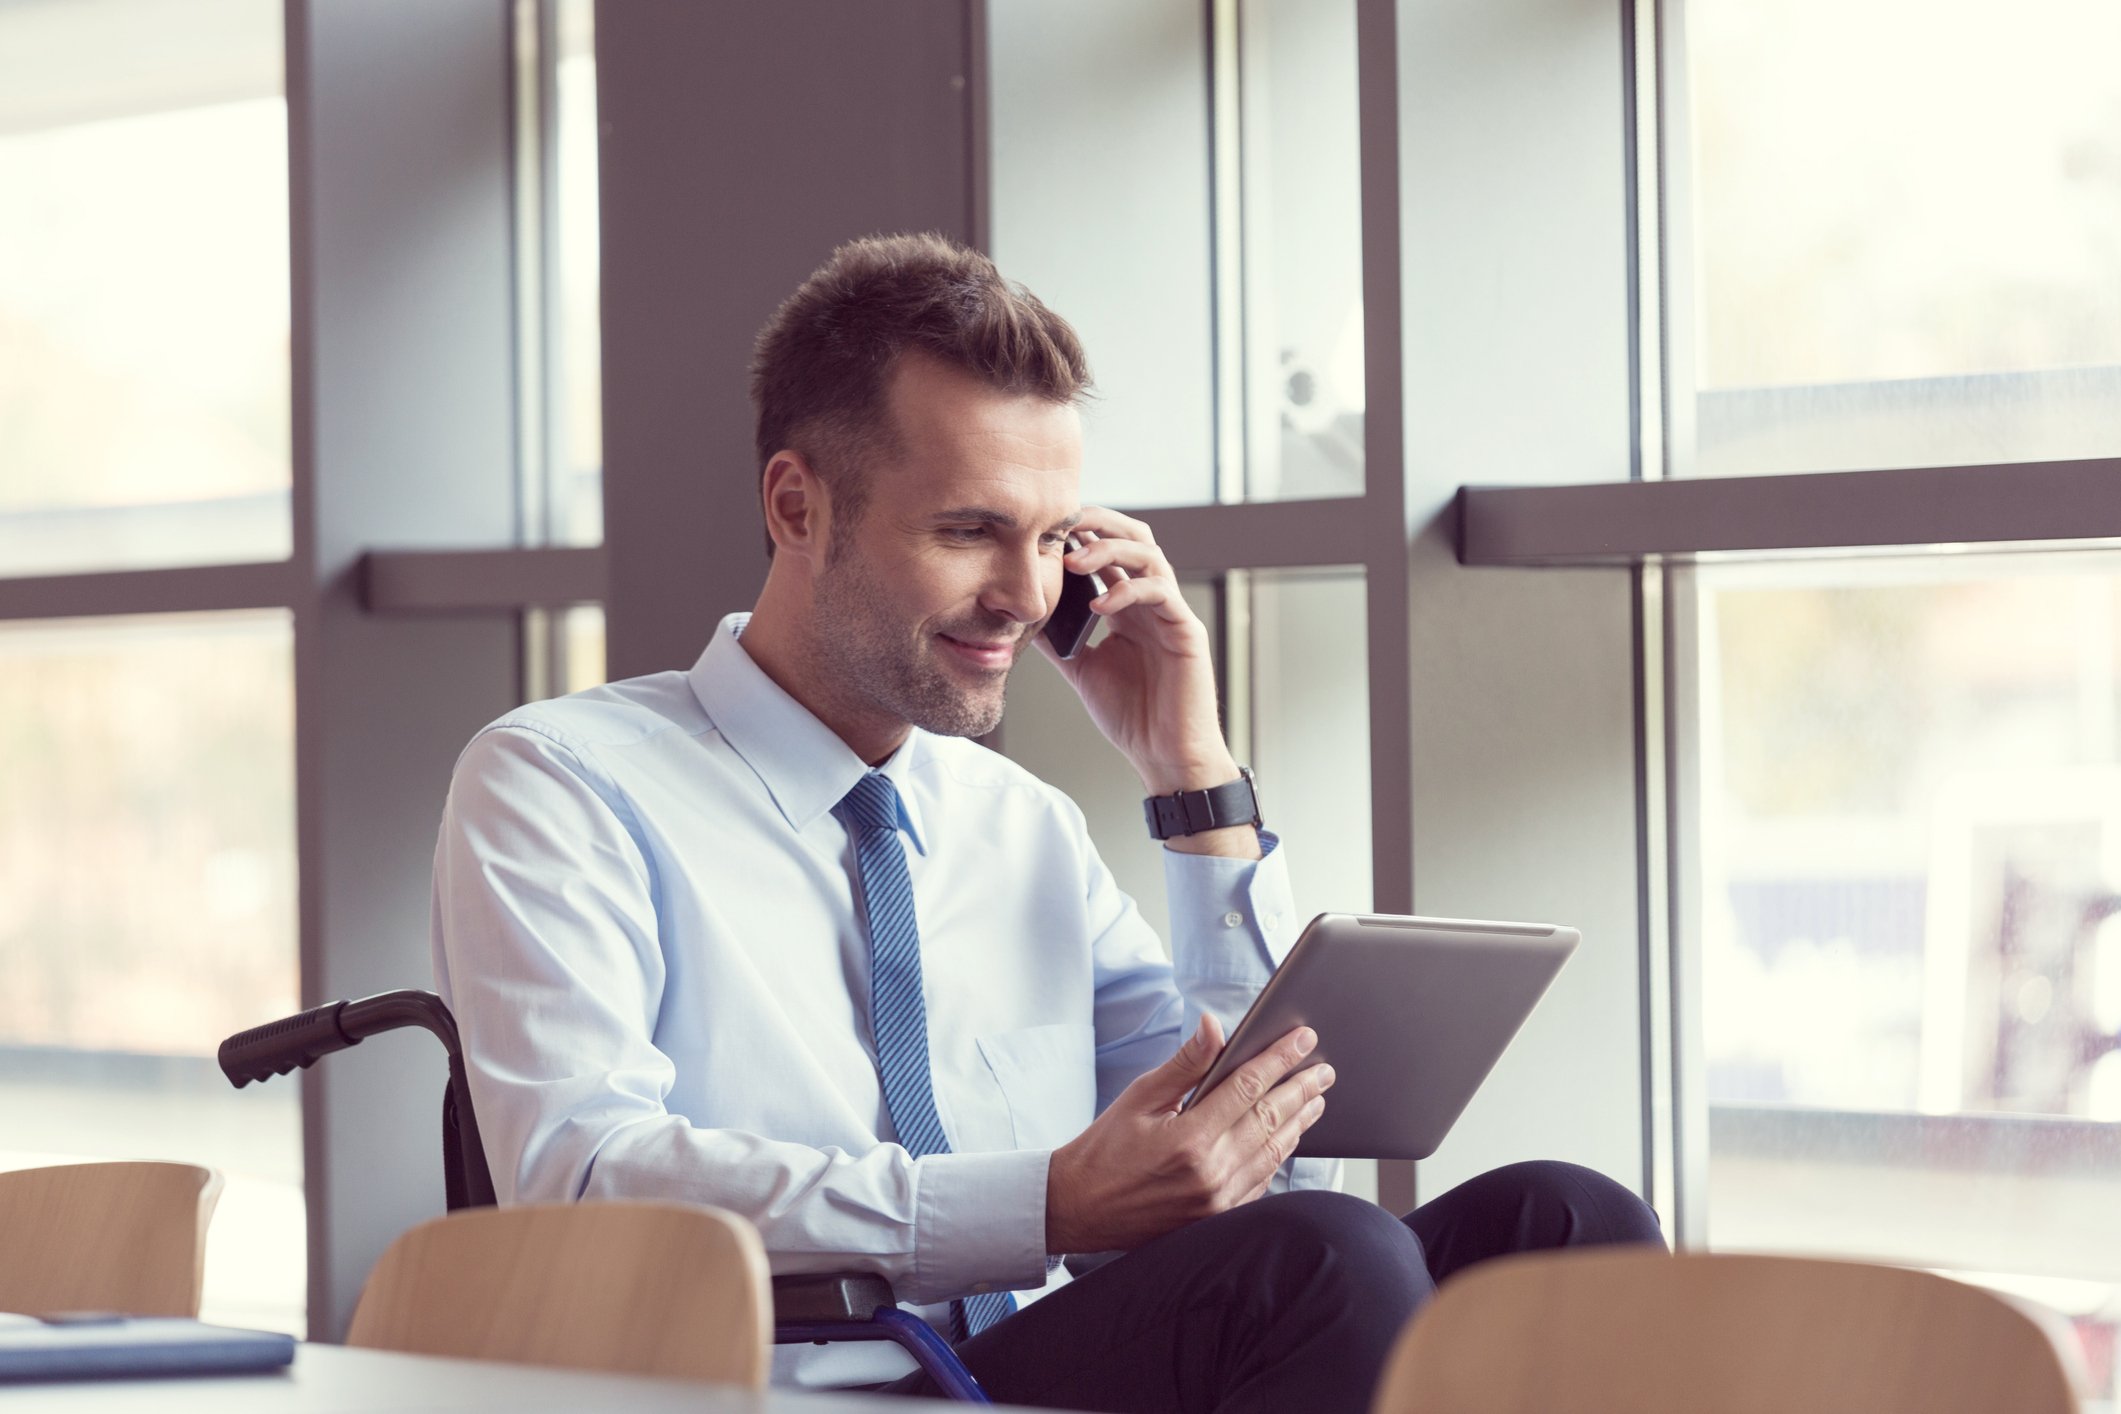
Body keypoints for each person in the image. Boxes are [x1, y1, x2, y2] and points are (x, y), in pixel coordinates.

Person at [431, 232, 1664, 1412]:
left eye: (1052, 541)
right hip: (787, 1386)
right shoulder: (562, 783)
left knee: (1565, 1225)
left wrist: (1192, 776)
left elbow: (1265, 1183)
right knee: (1326, 1265)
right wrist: (1045, 1205)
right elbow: (586, 1179)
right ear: (797, 509)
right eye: (969, 530)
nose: (1025, 598)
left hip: (1014, 1367)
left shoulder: (1019, 824)